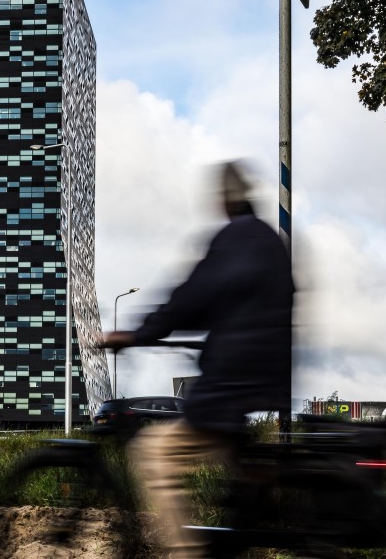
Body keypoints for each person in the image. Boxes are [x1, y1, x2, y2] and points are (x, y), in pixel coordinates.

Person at [102, 161, 294, 558]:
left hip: (230, 383)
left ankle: (186, 552)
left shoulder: (232, 240)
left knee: (155, 453)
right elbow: (229, 303)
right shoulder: (270, 242)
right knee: (243, 483)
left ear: (225, 200)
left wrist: (137, 334)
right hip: (265, 380)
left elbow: (189, 299)